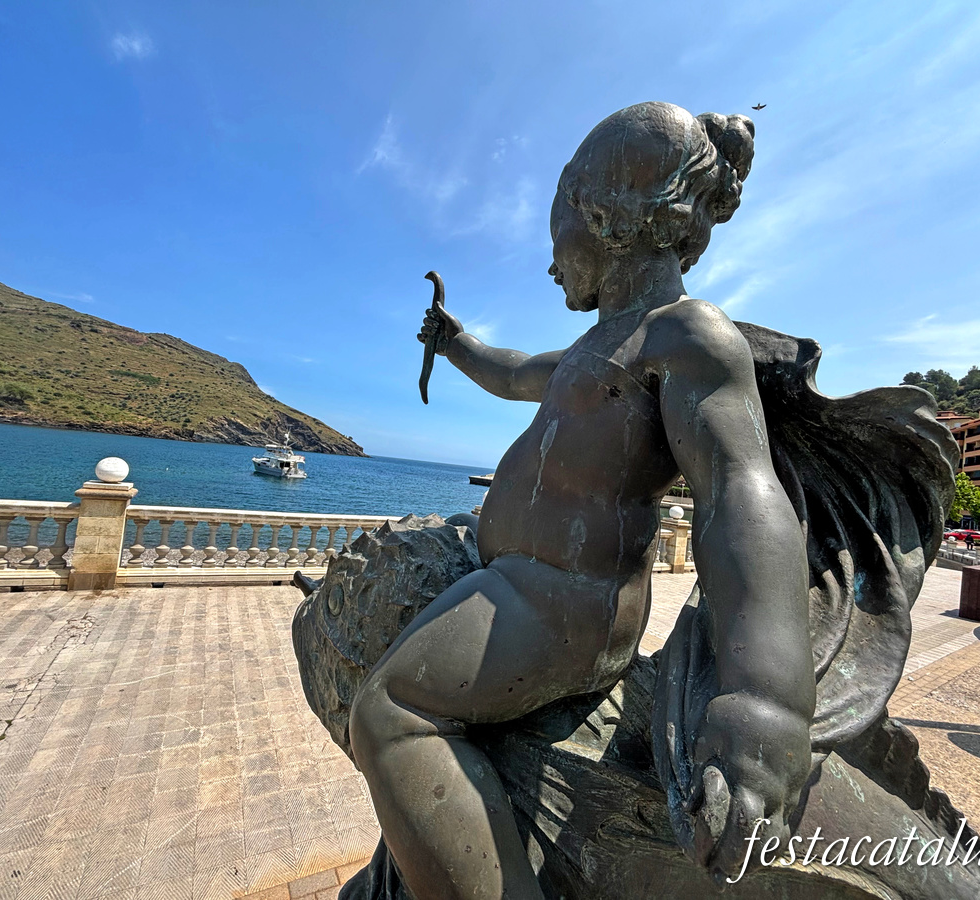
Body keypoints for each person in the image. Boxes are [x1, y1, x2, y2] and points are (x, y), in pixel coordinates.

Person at [347, 102, 814, 900]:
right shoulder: (599, 345)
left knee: (388, 712)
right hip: (524, 582)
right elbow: (510, 370)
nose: (551, 262)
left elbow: (740, 493)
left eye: (555, 231)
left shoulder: (687, 335)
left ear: (605, 217)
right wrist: (454, 342)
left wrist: (765, 700)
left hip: (568, 604)